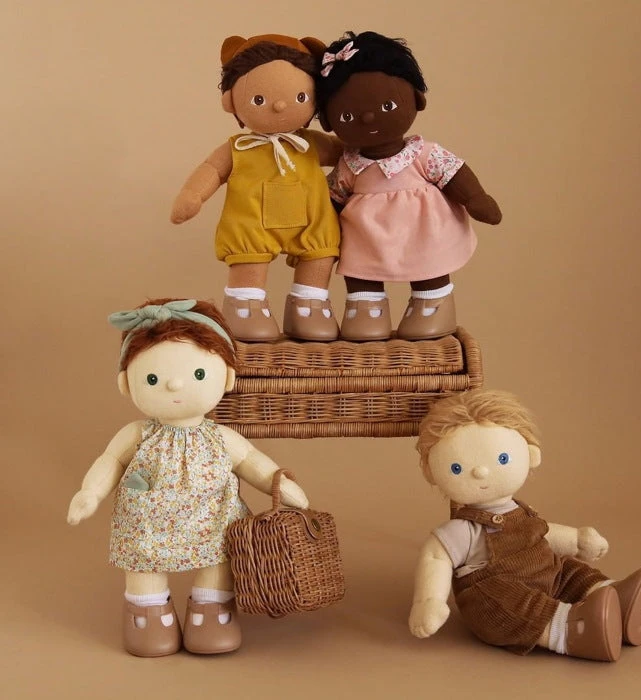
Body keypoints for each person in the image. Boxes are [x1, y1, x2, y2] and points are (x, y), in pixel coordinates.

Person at [67, 298, 309, 656]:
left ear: (227, 377)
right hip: (148, 524)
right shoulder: (138, 434)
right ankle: (147, 613)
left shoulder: (220, 436)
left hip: (212, 518)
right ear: (126, 383)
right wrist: (90, 492)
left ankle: (211, 612)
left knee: (220, 557)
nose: (175, 385)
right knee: (143, 561)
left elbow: (251, 461)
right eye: (153, 379)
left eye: (198, 375)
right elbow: (111, 460)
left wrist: (280, 483)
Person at [410, 389, 641, 661]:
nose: (481, 472)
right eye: (457, 468)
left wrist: (577, 541)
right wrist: (428, 601)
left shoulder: (521, 512)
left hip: (546, 577)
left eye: (502, 459)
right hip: (498, 600)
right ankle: (573, 630)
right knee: (502, 598)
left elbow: (544, 534)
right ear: (432, 472)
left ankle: (614, 597)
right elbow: (436, 557)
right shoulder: (463, 530)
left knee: (568, 569)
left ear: (531, 455)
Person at [316, 31, 502, 341]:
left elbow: (452, 172)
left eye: (388, 106)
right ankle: (366, 310)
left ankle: (431, 306)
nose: (369, 117)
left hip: (423, 232)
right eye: (347, 115)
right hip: (367, 237)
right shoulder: (349, 164)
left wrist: (476, 198)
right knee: (361, 272)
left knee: (429, 266)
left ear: (417, 99)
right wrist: (313, 229)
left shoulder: (422, 153)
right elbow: (331, 198)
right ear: (328, 122)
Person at [171, 35, 343, 342]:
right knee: (248, 258)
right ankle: (245, 307)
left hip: (311, 222)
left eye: (300, 97)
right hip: (252, 225)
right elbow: (212, 171)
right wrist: (192, 196)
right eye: (259, 100)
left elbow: (343, 151)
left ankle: (309, 307)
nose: (279, 105)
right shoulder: (238, 148)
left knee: (319, 254)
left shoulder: (309, 144)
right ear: (230, 102)